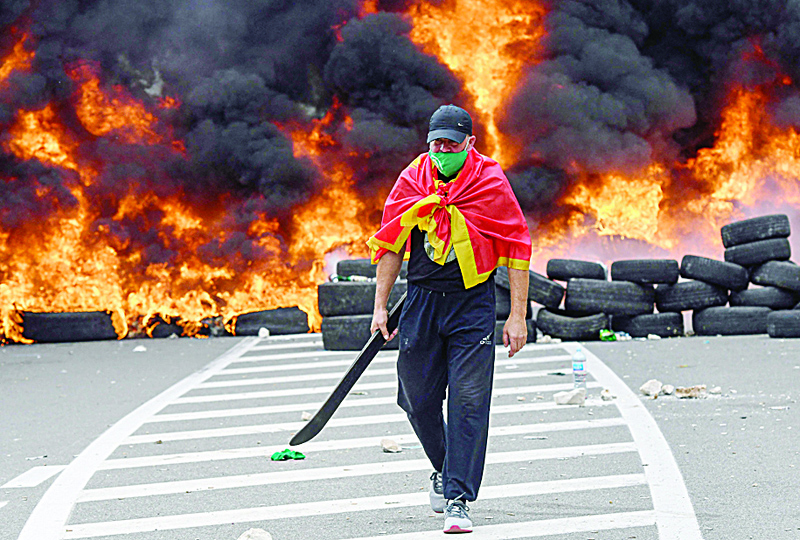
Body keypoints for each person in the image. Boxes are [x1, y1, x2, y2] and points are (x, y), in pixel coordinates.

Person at [367, 104, 532, 534]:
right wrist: (380, 305)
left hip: (472, 305)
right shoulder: (413, 179)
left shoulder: (489, 181)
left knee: (469, 402)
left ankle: (457, 497)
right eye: (436, 143)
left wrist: (517, 316)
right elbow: (389, 245)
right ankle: (444, 467)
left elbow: (516, 247)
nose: (442, 151)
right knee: (416, 398)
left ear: (470, 144)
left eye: (451, 144)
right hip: (421, 301)